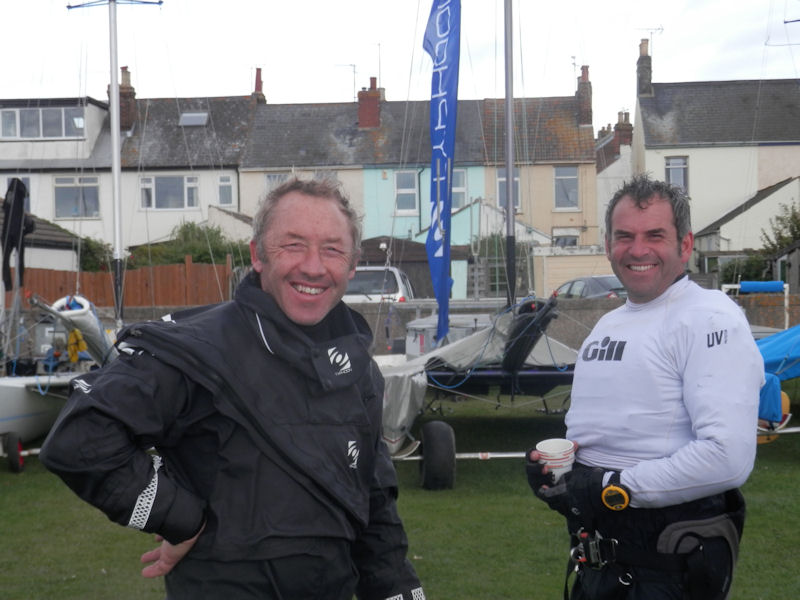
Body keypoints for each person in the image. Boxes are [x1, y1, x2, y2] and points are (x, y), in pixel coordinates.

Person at [41, 178, 425, 600]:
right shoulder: (196, 351)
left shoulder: (358, 369)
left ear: (351, 266)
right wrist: (178, 517)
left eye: (332, 249)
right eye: (293, 245)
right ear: (258, 255)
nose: (314, 267)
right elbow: (81, 438)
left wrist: (400, 590)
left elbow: (373, 502)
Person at [526, 175, 764, 600]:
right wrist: (558, 475)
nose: (637, 250)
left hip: (668, 560)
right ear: (607, 244)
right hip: (601, 559)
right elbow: (605, 429)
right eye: (624, 236)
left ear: (685, 245)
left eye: (655, 235)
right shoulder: (610, 322)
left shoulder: (709, 316)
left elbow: (728, 458)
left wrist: (609, 488)